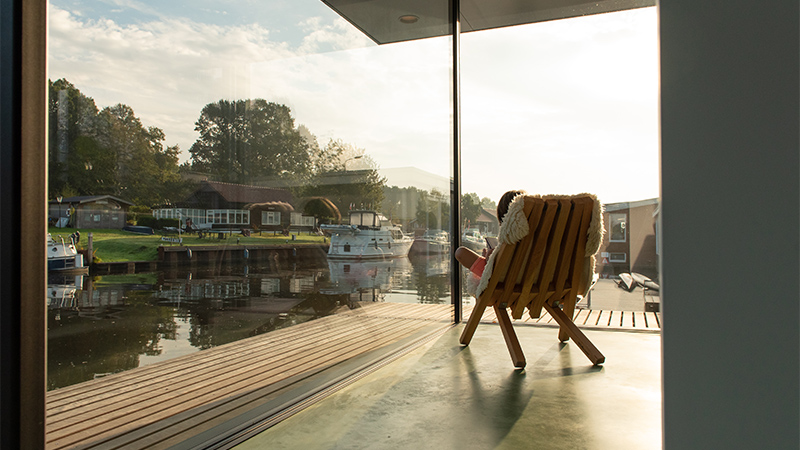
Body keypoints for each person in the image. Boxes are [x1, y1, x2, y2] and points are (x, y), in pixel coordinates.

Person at [454, 190, 525, 278]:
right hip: (529, 280)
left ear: (502, 217)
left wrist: (489, 260)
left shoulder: (507, 242)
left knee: (460, 252)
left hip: (504, 281)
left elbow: (460, 255)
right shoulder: (539, 241)